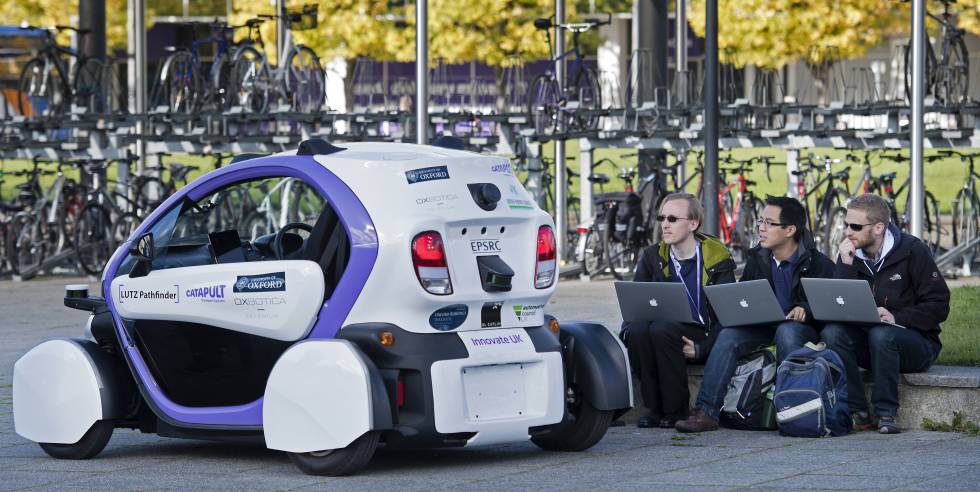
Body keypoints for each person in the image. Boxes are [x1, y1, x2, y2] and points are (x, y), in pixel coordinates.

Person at [675, 196, 834, 433]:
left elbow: (828, 304)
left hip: (801, 329)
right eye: (761, 221)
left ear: (790, 230)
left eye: (769, 223)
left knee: (786, 331)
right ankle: (706, 411)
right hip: (763, 325)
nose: (761, 227)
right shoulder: (758, 258)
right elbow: (744, 299)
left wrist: (806, 309)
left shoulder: (818, 263)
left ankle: (790, 408)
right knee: (730, 334)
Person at [820, 193, 949, 434]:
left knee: (882, 334)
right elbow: (838, 306)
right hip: (870, 342)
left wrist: (896, 318)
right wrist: (845, 267)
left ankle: (886, 413)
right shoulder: (850, 254)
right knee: (832, 332)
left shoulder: (912, 251)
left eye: (856, 226)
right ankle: (857, 411)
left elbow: (939, 305)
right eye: (846, 224)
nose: (848, 231)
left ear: (879, 227)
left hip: (915, 343)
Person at [623, 192, 736, 429]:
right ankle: (654, 408)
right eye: (661, 218)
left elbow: (728, 314)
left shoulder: (716, 259)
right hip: (664, 327)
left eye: (672, 219)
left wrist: (702, 348)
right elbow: (635, 303)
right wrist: (627, 330)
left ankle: (676, 409)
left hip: (702, 331)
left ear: (693, 224)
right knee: (639, 330)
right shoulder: (653, 256)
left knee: (661, 329)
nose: (665, 224)